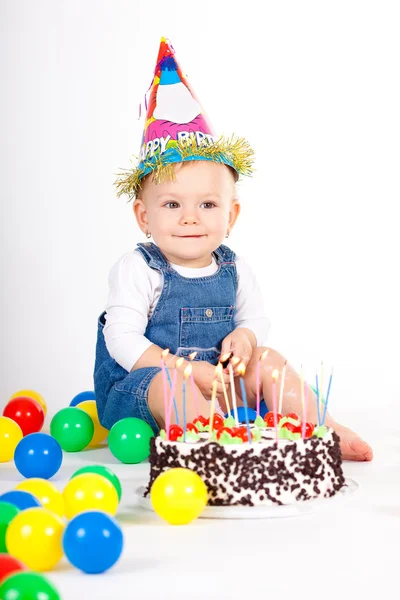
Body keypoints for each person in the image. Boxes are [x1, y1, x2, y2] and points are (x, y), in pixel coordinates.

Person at [94, 37, 372, 462]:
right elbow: (122, 339)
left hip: (221, 391)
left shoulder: (234, 267)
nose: (191, 218)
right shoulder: (139, 267)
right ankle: (213, 450)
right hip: (145, 395)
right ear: (143, 217)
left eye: (207, 204)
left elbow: (256, 318)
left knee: (268, 359)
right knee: (173, 385)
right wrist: (186, 371)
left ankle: (326, 427)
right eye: (172, 205)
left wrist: (246, 337)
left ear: (232, 215)